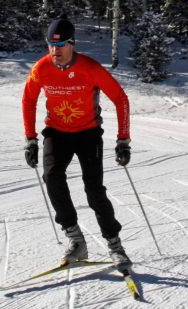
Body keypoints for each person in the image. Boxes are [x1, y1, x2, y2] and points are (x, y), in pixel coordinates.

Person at [22, 15, 133, 270]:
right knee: (52, 177)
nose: (55, 50)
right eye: (50, 45)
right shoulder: (41, 68)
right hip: (56, 132)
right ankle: (75, 239)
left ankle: (115, 245)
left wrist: (123, 140)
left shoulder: (90, 68)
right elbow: (28, 100)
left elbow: (120, 98)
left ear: (72, 44)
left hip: (88, 133)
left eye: (60, 45)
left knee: (94, 191)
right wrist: (30, 139)